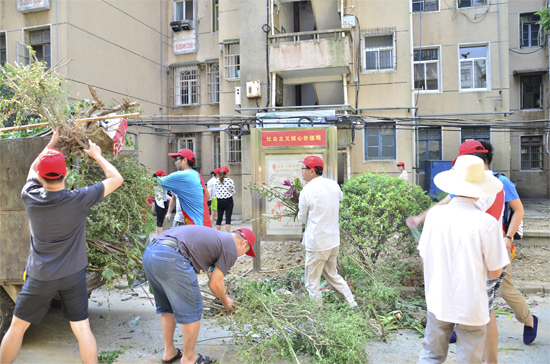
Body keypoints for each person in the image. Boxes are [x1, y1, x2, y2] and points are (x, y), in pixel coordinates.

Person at [0, 129, 124, 364]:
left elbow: (32, 170)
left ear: (42, 177)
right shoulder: (79, 198)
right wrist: (96, 155)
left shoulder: (30, 195)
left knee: (16, 328)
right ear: (66, 173)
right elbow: (116, 179)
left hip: (40, 276)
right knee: (82, 329)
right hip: (73, 276)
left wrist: (50, 143)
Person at [407, 140, 538, 353]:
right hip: (473, 246)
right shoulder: (466, 182)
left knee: (503, 291)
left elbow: (518, 210)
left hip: (495, 245)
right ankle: (464, 327)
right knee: (477, 298)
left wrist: (508, 237)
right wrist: (421, 217)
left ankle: (529, 320)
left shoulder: (499, 182)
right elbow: (446, 202)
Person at [417, 155, 509, 364]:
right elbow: (495, 271)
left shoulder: (435, 215)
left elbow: (424, 256)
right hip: (472, 306)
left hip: (438, 299)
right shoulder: (487, 223)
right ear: (480, 190)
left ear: (454, 185)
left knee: (431, 355)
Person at [142, 225, 256, 364]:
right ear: (244, 243)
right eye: (246, 251)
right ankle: (189, 357)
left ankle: (169, 352)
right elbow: (213, 284)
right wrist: (225, 300)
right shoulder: (230, 248)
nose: (243, 254)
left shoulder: (218, 238)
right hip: (171, 256)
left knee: (168, 307)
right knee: (193, 307)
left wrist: (224, 295)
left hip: (151, 252)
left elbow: (214, 276)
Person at [297, 156, 357, 307]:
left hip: (317, 243)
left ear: (311, 171)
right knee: (332, 274)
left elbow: (302, 219)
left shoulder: (306, 191)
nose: (301, 171)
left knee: (312, 282)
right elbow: (340, 199)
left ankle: (317, 316)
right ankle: (351, 303)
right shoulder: (333, 185)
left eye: (303, 168)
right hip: (332, 240)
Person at [158, 148, 211, 227]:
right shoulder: (197, 175)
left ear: (184, 160)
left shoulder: (181, 175)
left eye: (177, 159)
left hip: (194, 227)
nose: (175, 162)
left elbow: (156, 183)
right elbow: (207, 197)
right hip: (204, 225)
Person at [215, 166, 235, 232]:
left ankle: (217, 233)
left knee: (219, 218)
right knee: (228, 218)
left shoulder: (216, 181)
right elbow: (233, 191)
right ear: (226, 173)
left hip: (219, 200)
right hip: (228, 200)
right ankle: (228, 234)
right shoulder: (230, 181)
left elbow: (216, 190)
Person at [152, 169, 169, 236]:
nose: (163, 177)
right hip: (160, 203)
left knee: (159, 219)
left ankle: (157, 234)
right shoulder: (157, 184)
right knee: (160, 219)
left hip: (162, 203)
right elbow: (161, 194)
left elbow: (165, 195)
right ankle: (161, 234)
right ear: (159, 176)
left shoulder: (158, 183)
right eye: (162, 176)